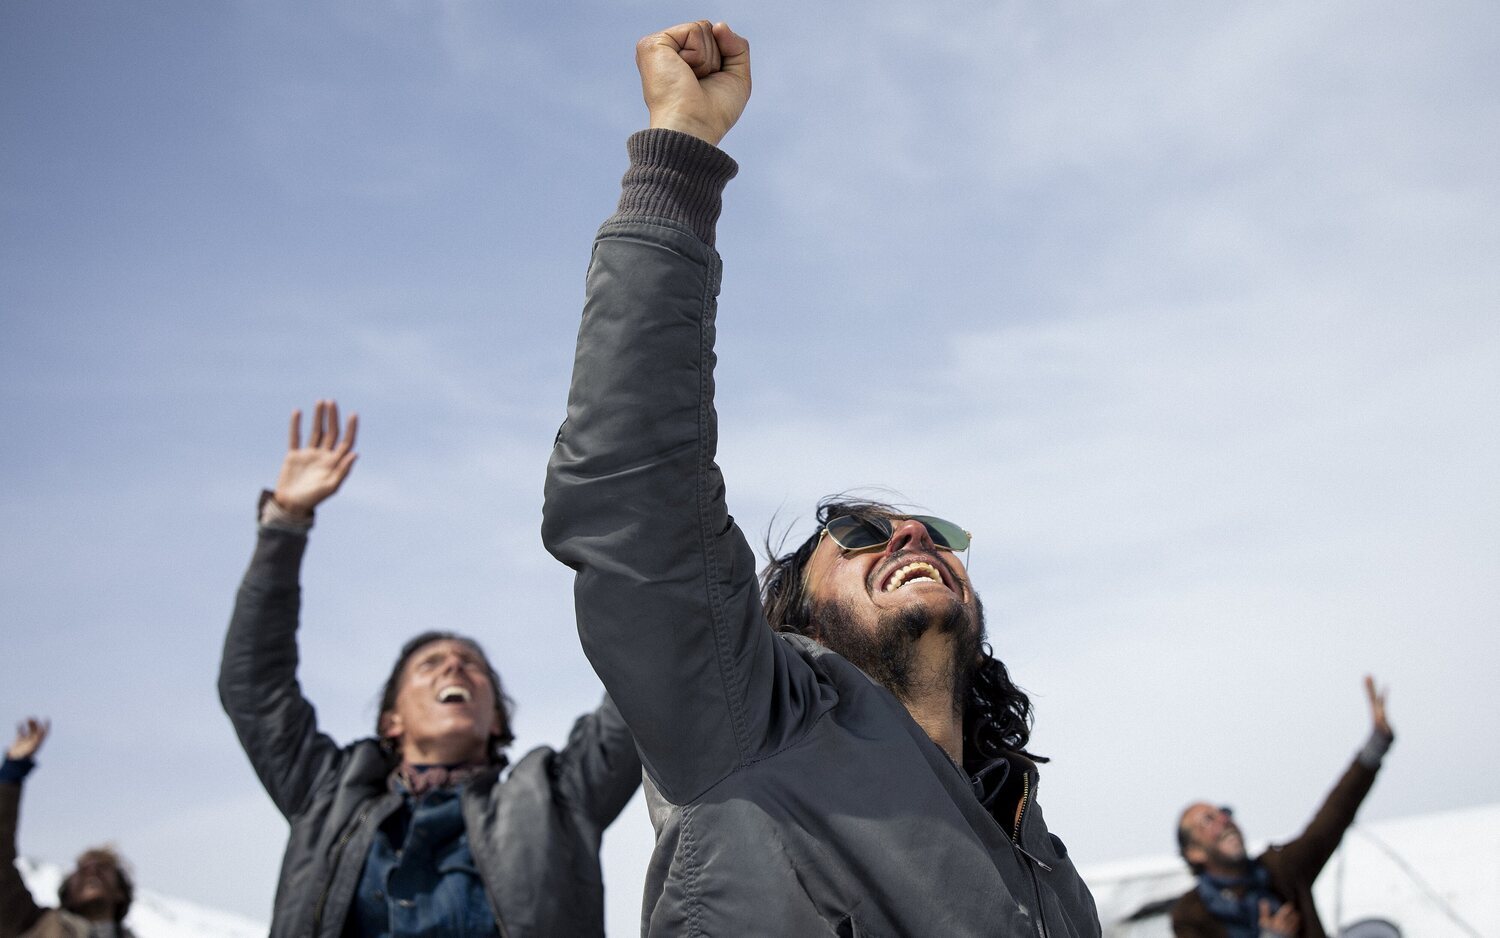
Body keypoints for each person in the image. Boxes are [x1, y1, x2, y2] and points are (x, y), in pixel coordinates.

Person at [541, 21, 1100, 937]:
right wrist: (678, 157)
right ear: (788, 616)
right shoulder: (750, 726)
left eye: (925, 528)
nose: (911, 534)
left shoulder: (1042, 857)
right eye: (860, 532)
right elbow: (632, 488)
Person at [219, 401, 642, 938]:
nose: (455, 669)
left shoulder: (556, 800)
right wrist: (284, 523)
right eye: (431, 664)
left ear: (496, 721)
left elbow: (641, 685)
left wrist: (635, 528)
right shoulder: (327, 797)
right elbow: (255, 687)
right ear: (391, 720)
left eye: (473, 666)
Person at [1170, 677, 1396, 938]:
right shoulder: (1191, 916)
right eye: (1207, 821)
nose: (1223, 821)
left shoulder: (1281, 869)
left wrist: (1376, 745)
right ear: (1194, 853)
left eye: (1224, 813)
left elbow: (1334, 815)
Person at [1, 718, 136, 938]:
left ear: (120, 892)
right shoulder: (32, 925)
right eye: (82, 869)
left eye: (103, 867)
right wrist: (12, 772)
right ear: (66, 894)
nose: (91, 870)